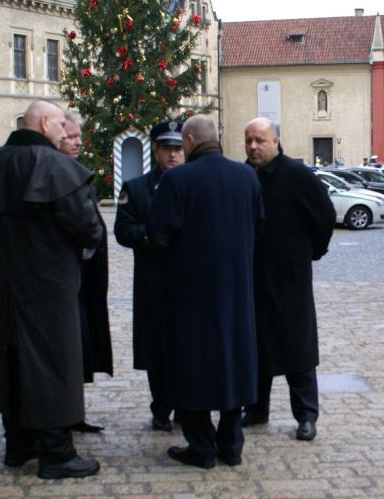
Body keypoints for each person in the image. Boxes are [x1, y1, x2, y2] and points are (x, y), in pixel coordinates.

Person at [0, 101, 102, 479]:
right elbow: (88, 227)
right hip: (52, 282)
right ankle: (56, 453)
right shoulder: (56, 167)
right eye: (61, 124)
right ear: (44, 124)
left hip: (12, 280)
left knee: (15, 359)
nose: (65, 132)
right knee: (53, 363)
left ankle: (19, 443)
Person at [147, 114, 264, 469]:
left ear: (191, 141)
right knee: (235, 363)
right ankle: (230, 445)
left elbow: (158, 235)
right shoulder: (247, 177)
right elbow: (259, 226)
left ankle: (201, 445)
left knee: (191, 365)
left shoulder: (177, 180)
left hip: (190, 294)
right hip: (238, 290)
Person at [241, 117, 336, 442]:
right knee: (257, 344)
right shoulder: (243, 176)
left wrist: (312, 251)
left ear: (276, 141)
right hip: (253, 276)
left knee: (298, 346)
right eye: (249, 141)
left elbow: (324, 215)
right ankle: (256, 409)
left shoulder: (296, 175)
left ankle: (306, 416)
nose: (253, 146)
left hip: (291, 277)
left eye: (260, 140)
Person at [113, 120, 185, 432]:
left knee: (187, 346)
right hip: (153, 280)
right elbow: (122, 230)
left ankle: (187, 405)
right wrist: (149, 236)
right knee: (156, 348)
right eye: (167, 148)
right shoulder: (137, 188)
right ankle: (161, 407)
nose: (173, 155)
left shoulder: (192, 184)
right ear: (155, 150)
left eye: (178, 148)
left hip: (187, 282)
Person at [58, 111, 113, 434]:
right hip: (68, 276)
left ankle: (74, 412)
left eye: (80, 137)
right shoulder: (58, 173)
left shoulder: (74, 171)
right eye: (72, 136)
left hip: (85, 277)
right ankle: (66, 415)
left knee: (81, 344)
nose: (79, 142)